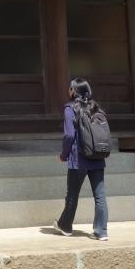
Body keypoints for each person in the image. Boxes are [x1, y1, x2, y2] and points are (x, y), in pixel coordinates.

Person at [53, 77, 108, 240]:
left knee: (72, 194)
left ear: (73, 91)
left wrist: (64, 155)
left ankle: (66, 226)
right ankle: (101, 231)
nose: (68, 90)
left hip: (79, 159)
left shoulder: (70, 109)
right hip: (97, 156)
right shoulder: (96, 107)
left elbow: (69, 135)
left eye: (70, 87)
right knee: (100, 196)